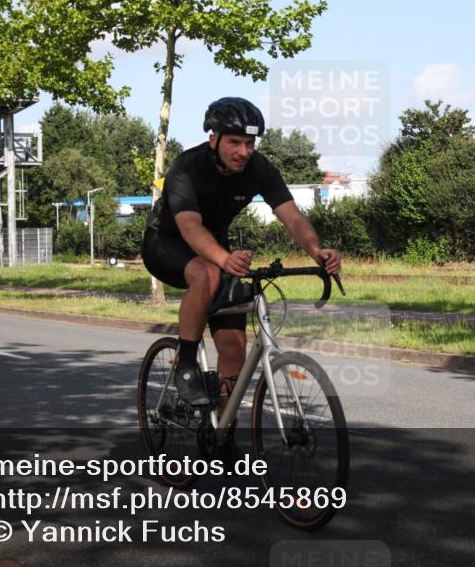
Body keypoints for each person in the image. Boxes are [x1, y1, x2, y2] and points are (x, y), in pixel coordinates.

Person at [142, 97, 342, 406]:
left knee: (235, 346)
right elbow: (190, 226)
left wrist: (317, 250)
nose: (243, 152)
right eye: (235, 142)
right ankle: (185, 366)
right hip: (166, 242)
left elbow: (292, 216)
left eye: (250, 143)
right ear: (214, 139)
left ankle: (223, 434)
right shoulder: (187, 167)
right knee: (207, 272)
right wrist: (223, 259)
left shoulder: (259, 168)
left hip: (215, 247)